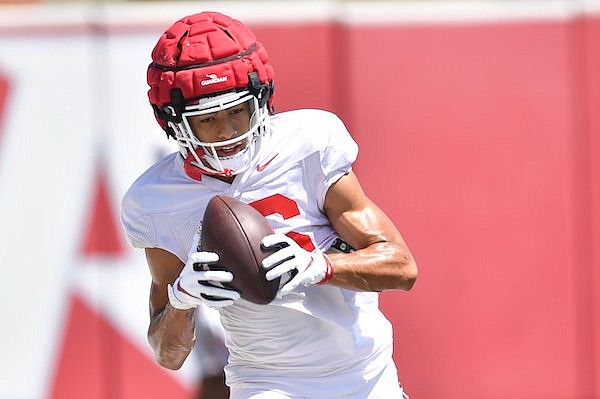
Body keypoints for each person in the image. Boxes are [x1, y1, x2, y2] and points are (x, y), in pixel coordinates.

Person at [121, 10, 418, 399]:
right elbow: (168, 354)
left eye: (237, 112)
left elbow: (402, 267)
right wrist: (181, 297)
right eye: (207, 119)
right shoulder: (155, 200)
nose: (228, 133)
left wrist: (320, 266)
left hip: (366, 374)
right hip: (266, 381)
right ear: (174, 123)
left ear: (260, 101)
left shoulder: (310, 144)